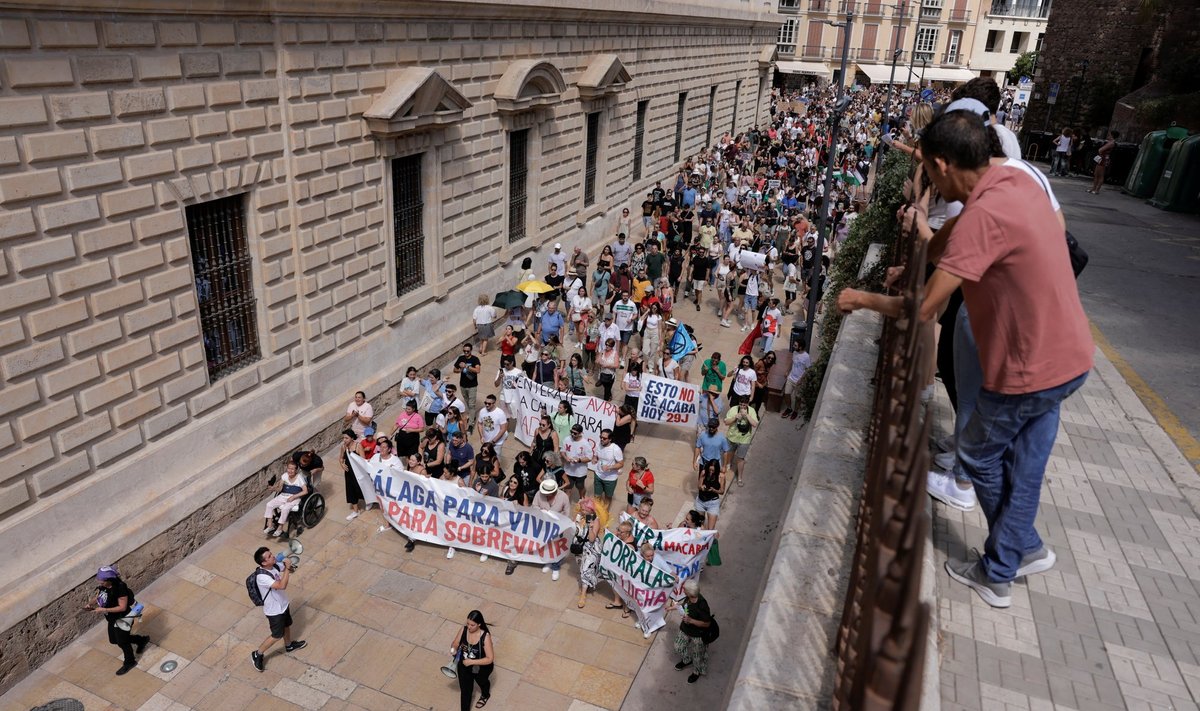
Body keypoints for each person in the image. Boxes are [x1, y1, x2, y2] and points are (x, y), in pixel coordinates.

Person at [837, 109, 1093, 609]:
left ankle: (1001, 567)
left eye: (928, 175)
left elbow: (926, 307)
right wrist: (919, 257)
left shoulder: (982, 215)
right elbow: (945, 248)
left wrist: (861, 298)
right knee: (1026, 464)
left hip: (1028, 368)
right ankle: (1028, 548)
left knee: (978, 455)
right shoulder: (1010, 180)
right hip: (1071, 356)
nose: (927, 187)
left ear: (942, 164)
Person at [84, 566, 150, 675]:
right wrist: (90, 603)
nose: (98, 581)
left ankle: (130, 662)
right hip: (112, 618)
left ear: (109, 580)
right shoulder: (103, 586)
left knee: (122, 642)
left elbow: (122, 607)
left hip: (123, 617)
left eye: (101, 580)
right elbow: (99, 596)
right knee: (114, 640)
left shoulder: (120, 588)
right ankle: (141, 640)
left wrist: (103, 609)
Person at [250, 546, 306, 672]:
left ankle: (289, 645)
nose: (273, 556)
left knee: (287, 625)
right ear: (263, 562)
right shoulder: (262, 577)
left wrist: (289, 565)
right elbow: (282, 585)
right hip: (274, 611)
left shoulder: (274, 566)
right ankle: (257, 654)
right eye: (269, 556)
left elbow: (290, 571)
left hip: (283, 604)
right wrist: (286, 568)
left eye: (271, 554)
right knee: (276, 635)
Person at [667, 578, 714, 684]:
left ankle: (696, 672)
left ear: (690, 592)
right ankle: (687, 660)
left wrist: (691, 620)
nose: (683, 590)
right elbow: (684, 607)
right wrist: (673, 608)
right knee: (678, 647)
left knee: (697, 656)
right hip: (685, 629)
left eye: (684, 589)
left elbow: (706, 623)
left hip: (698, 635)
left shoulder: (702, 605)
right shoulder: (688, 599)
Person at [448, 610, 494, 710]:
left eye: (472, 625)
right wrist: (453, 649)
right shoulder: (464, 630)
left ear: (479, 624)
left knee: (482, 682)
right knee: (465, 692)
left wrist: (471, 662)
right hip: (464, 666)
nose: (469, 627)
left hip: (481, 667)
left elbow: (490, 659)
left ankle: (485, 695)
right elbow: (455, 643)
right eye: (468, 623)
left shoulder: (485, 636)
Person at [533, 478, 571, 580]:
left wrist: (561, 521)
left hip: (558, 526)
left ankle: (555, 567)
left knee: (557, 547)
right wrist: (542, 511)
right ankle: (548, 562)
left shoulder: (563, 497)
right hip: (543, 525)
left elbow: (567, 512)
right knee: (546, 545)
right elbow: (534, 506)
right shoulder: (538, 494)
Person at [574, 497, 607, 608]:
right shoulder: (579, 516)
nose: (581, 511)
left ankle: (583, 595)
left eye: (584, 510)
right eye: (581, 509)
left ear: (590, 511)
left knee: (585, 569)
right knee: (582, 567)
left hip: (591, 548)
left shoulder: (595, 520)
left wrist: (590, 527)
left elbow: (592, 539)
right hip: (580, 547)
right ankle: (586, 584)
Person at [263, 461, 307, 536]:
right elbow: (280, 489)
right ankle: (270, 526)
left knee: (285, 509)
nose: (290, 470)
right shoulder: (284, 476)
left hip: (294, 497)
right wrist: (273, 488)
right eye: (289, 468)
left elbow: (305, 491)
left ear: (296, 470)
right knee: (269, 505)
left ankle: (280, 528)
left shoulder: (299, 478)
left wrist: (293, 496)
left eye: (292, 469)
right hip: (283, 495)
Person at [724, 401, 759, 487]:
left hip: (744, 439)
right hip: (732, 437)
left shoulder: (751, 411)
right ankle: (728, 464)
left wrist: (746, 415)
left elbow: (754, 424)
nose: (742, 406)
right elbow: (726, 422)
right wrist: (735, 417)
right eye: (741, 404)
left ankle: (739, 478)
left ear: (747, 404)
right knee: (730, 452)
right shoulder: (733, 409)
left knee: (740, 458)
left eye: (744, 405)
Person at [591, 429, 624, 511]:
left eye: (604, 438)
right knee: (597, 496)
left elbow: (621, 464)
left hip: (610, 478)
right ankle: (596, 512)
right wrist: (594, 459)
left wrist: (609, 467)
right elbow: (595, 455)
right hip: (598, 474)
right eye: (601, 437)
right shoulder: (599, 444)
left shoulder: (615, 449)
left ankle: (604, 513)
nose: (602, 439)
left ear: (610, 439)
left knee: (608, 497)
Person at [453, 343, 482, 432]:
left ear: (471, 350)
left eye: (467, 351)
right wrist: (460, 369)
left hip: (472, 385)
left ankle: (471, 424)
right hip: (463, 385)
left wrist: (467, 366)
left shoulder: (475, 359)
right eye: (464, 351)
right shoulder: (461, 358)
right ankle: (472, 416)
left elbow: (478, 370)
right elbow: (454, 370)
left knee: (472, 405)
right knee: (468, 403)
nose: (466, 353)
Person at [561, 423, 593, 501]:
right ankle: (565, 504)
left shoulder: (585, 443)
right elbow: (562, 451)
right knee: (567, 487)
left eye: (575, 433)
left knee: (580, 487)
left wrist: (579, 460)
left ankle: (581, 500)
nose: (572, 434)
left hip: (580, 472)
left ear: (580, 433)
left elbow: (589, 457)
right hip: (568, 470)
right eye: (571, 432)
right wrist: (566, 458)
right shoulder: (567, 439)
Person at [781, 341, 812, 420]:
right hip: (791, 378)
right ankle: (789, 408)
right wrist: (788, 371)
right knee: (786, 394)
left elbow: (808, 369)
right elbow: (792, 362)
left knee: (798, 397)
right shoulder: (795, 353)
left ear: (800, 347)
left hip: (799, 381)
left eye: (795, 345)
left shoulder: (806, 357)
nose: (793, 346)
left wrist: (801, 380)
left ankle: (795, 411)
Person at [695, 459, 725, 529]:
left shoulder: (721, 477)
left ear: (717, 470)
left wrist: (714, 490)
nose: (711, 472)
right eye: (710, 470)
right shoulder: (704, 473)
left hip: (713, 503)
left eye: (713, 470)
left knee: (710, 529)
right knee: (699, 526)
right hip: (701, 501)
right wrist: (702, 487)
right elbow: (698, 486)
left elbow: (722, 491)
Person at [1089, 130, 1119, 194]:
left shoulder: (1111, 143)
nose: (1108, 136)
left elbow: (1101, 149)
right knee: (1096, 174)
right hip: (1102, 158)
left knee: (1100, 174)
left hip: (1104, 158)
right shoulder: (1109, 142)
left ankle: (1097, 190)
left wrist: (1101, 150)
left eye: (1109, 134)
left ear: (1112, 135)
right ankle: (1093, 188)